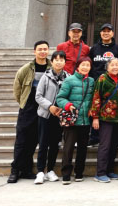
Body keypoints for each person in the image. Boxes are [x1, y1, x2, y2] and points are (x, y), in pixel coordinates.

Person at [8, 40, 51, 183]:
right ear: (34, 51)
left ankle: (26, 170)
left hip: (43, 108)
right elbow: (17, 88)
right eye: (40, 49)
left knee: (34, 140)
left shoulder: (51, 68)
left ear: (48, 51)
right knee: (21, 140)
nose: (43, 52)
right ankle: (15, 170)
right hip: (28, 108)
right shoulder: (26, 69)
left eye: (45, 49)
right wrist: (23, 103)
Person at [56, 57, 94, 184]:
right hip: (72, 120)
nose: (85, 67)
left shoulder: (91, 81)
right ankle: (66, 175)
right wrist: (68, 105)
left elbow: (93, 98)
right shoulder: (69, 80)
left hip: (85, 121)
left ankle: (79, 173)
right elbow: (60, 98)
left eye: (88, 65)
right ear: (78, 66)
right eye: (83, 65)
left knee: (83, 149)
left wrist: (92, 108)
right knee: (68, 148)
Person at [34, 50, 69, 184]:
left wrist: (63, 108)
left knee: (55, 144)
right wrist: (50, 106)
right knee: (43, 143)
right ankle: (40, 171)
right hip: (46, 115)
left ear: (65, 62)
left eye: (61, 60)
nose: (59, 62)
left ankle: (50, 170)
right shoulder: (45, 76)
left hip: (60, 116)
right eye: (56, 60)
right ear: (52, 61)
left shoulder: (68, 77)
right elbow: (38, 96)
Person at [90, 58, 118, 183]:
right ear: (107, 67)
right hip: (104, 117)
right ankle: (100, 173)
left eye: (117, 65)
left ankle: (109, 170)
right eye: (112, 65)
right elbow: (96, 97)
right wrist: (95, 117)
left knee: (114, 145)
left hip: (117, 118)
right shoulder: (102, 78)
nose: (115, 67)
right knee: (105, 145)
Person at [89, 23, 118, 145]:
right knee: (95, 109)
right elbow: (90, 65)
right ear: (100, 33)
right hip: (97, 84)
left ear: (112, 33)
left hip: (112, 85)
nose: (106, 33)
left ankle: (113, 139)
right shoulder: (94, 49)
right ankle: (94, 137)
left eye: (109, 31)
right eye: (104, 31)